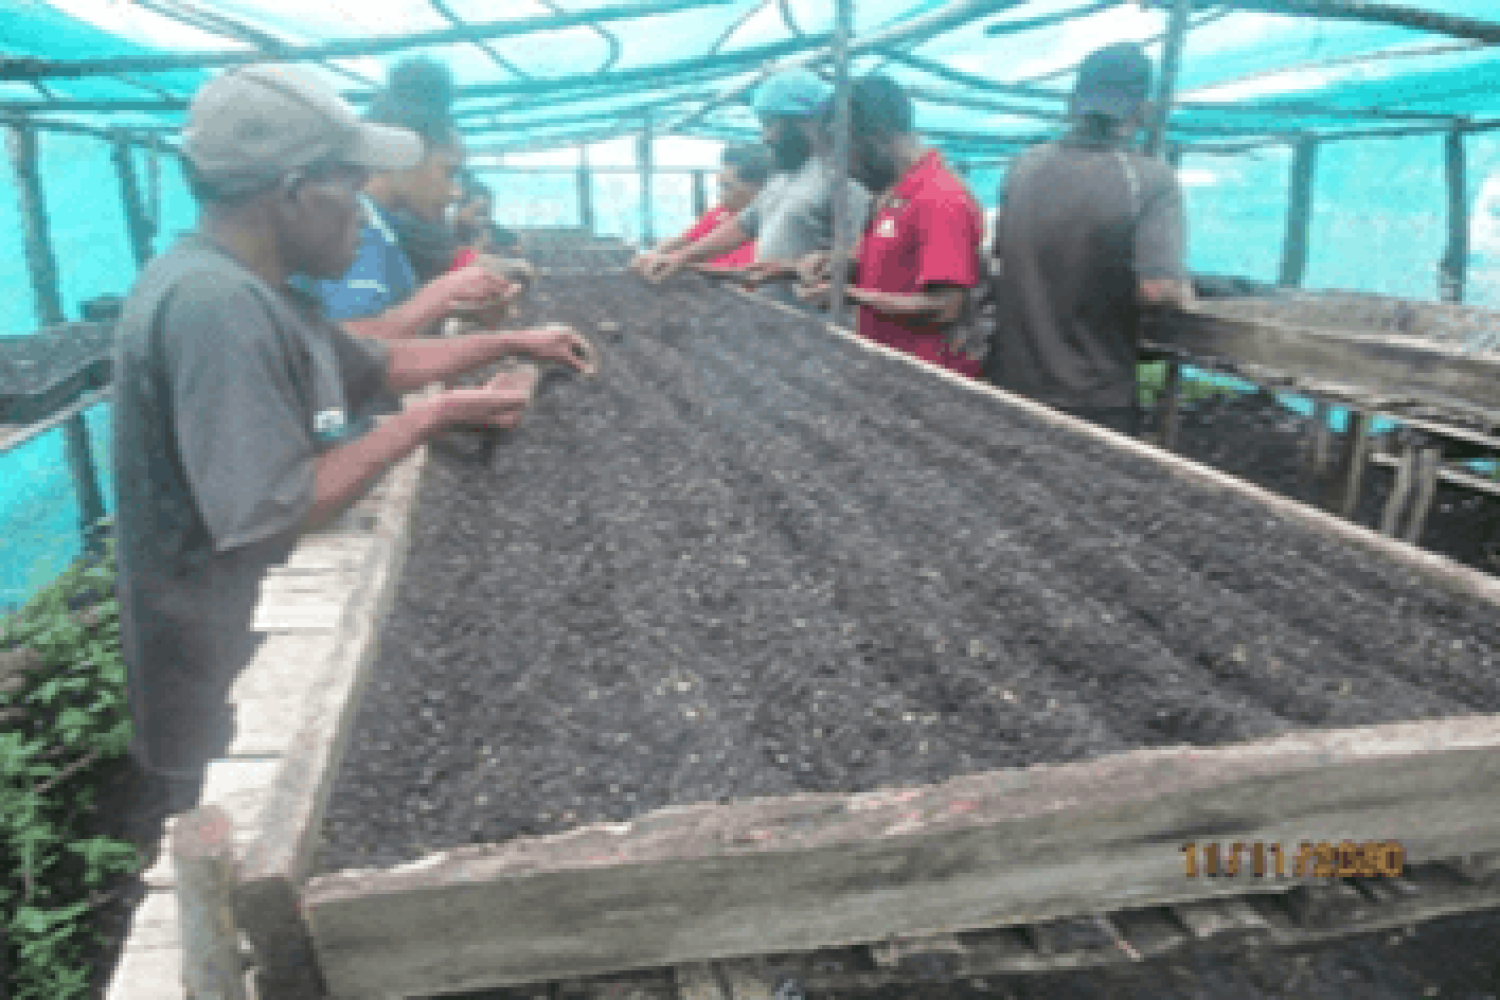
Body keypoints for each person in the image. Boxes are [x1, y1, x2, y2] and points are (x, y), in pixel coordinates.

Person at [111, 65, 597, 783]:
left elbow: (375, 365)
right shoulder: (214, 305)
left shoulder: (258, 291)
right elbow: (276, 507)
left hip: (243, 629)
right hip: (226, 667)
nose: (364, 202)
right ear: (294, 191)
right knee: (223, 823)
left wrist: (511, 343)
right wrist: (432, 417)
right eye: (349, 181)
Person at [984, 42, 1194, 437]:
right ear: (1143, 110)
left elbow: (1002, 258)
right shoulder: (1149, 180)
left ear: (1072, 102)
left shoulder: (1022, 168)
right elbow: (1157, 289)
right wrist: (1185, 292)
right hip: (1093, 398)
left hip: (1009, 382)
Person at [793, 75, 987, 379]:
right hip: (890, 370)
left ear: (879, 137)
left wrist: (848, 294)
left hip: (930, 380)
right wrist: (834, 266)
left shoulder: (939, 198)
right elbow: (889, 270)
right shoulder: (891, 194)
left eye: (845, 153)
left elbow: (945, 306)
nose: (843, 169)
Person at [642, 68, 872, 309]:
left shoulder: (844, 179)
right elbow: (744, 224)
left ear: (804, 121)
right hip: (776, 314)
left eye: (771, 124)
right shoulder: (783, 176)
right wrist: (680, 257)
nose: (765, 137)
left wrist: (793, 271)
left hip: (819, 323)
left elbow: (857, 260)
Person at [309, 58, 510, 331]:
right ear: (402, 154)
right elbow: (341, 350)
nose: (456, 193)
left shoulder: (384, 230)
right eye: (448, 172)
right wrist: (437, 301)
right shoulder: (352, 237)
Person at [631, 143, 773, 273]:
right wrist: (652, 255)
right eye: (720, 186)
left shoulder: (774, 228)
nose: (719, 195)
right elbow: (684, 240)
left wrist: (679, 262)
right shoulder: (721, 212)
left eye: (727, 187)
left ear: (759, 188)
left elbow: (745, 275)